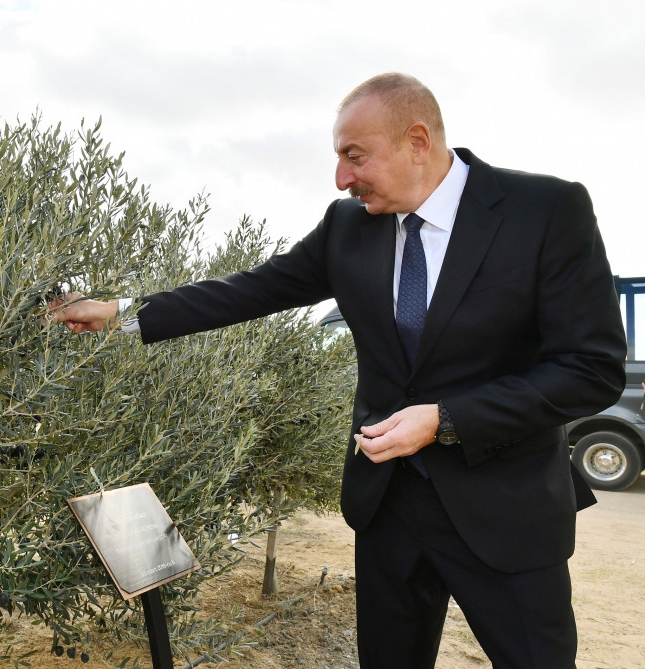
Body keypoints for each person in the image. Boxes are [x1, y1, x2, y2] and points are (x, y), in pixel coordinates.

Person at [50, 73, 627, 668]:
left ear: (418, 141)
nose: (341, 178)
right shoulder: (347, 227)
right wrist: (119, 313)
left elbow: (591, 369)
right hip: (389, 508)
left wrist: (446, 419)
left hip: (507, 510)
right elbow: (248, 291)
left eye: (355, 156)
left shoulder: (546, 211)